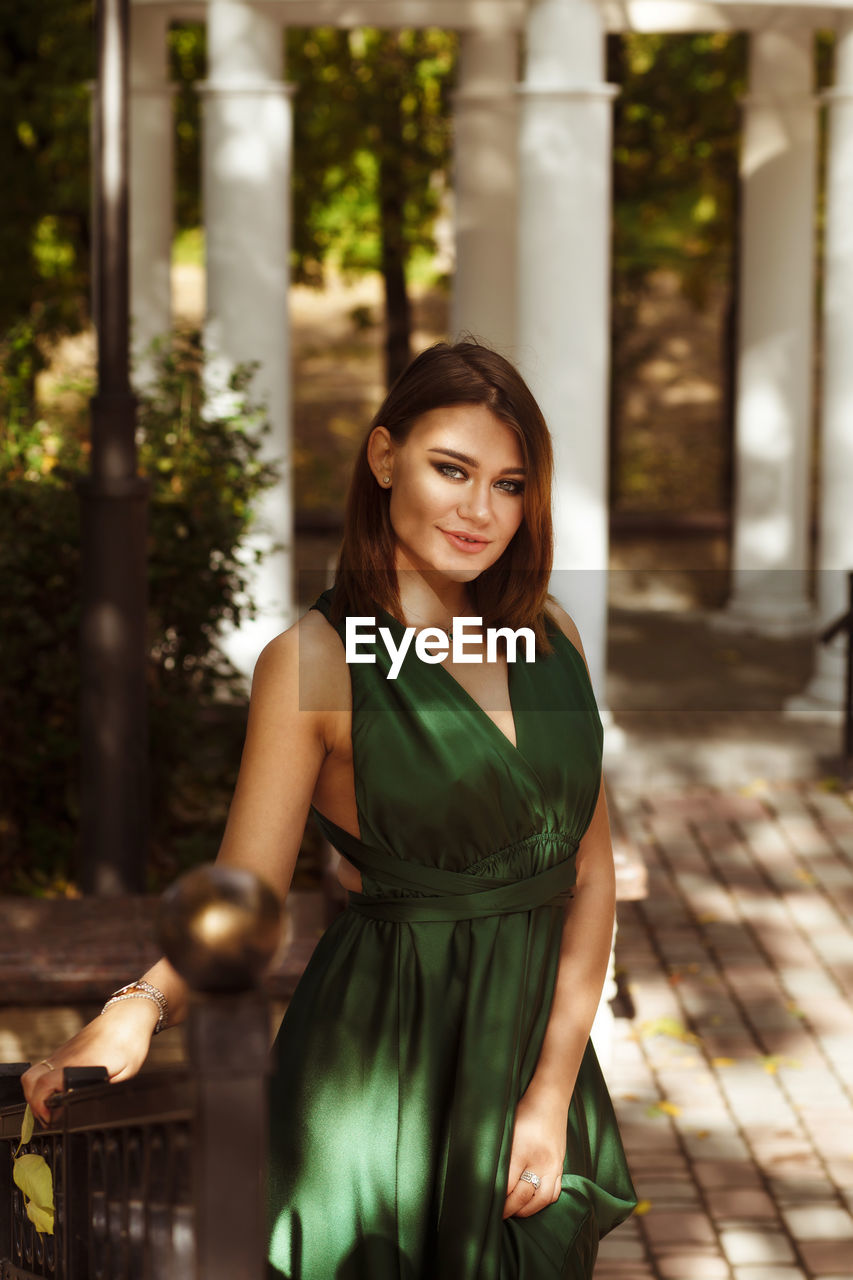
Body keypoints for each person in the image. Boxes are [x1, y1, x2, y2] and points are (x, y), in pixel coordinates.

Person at [24, 341, 637, 1277]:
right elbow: (246, 897)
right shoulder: (314, 661)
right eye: (451, 470)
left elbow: (590, 875)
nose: (480, 511)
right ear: (383, 458)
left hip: (528, 1068)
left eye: (509, 485)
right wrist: (139, 1009)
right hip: (378, 1074)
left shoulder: (551, 635)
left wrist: (549, 1092)